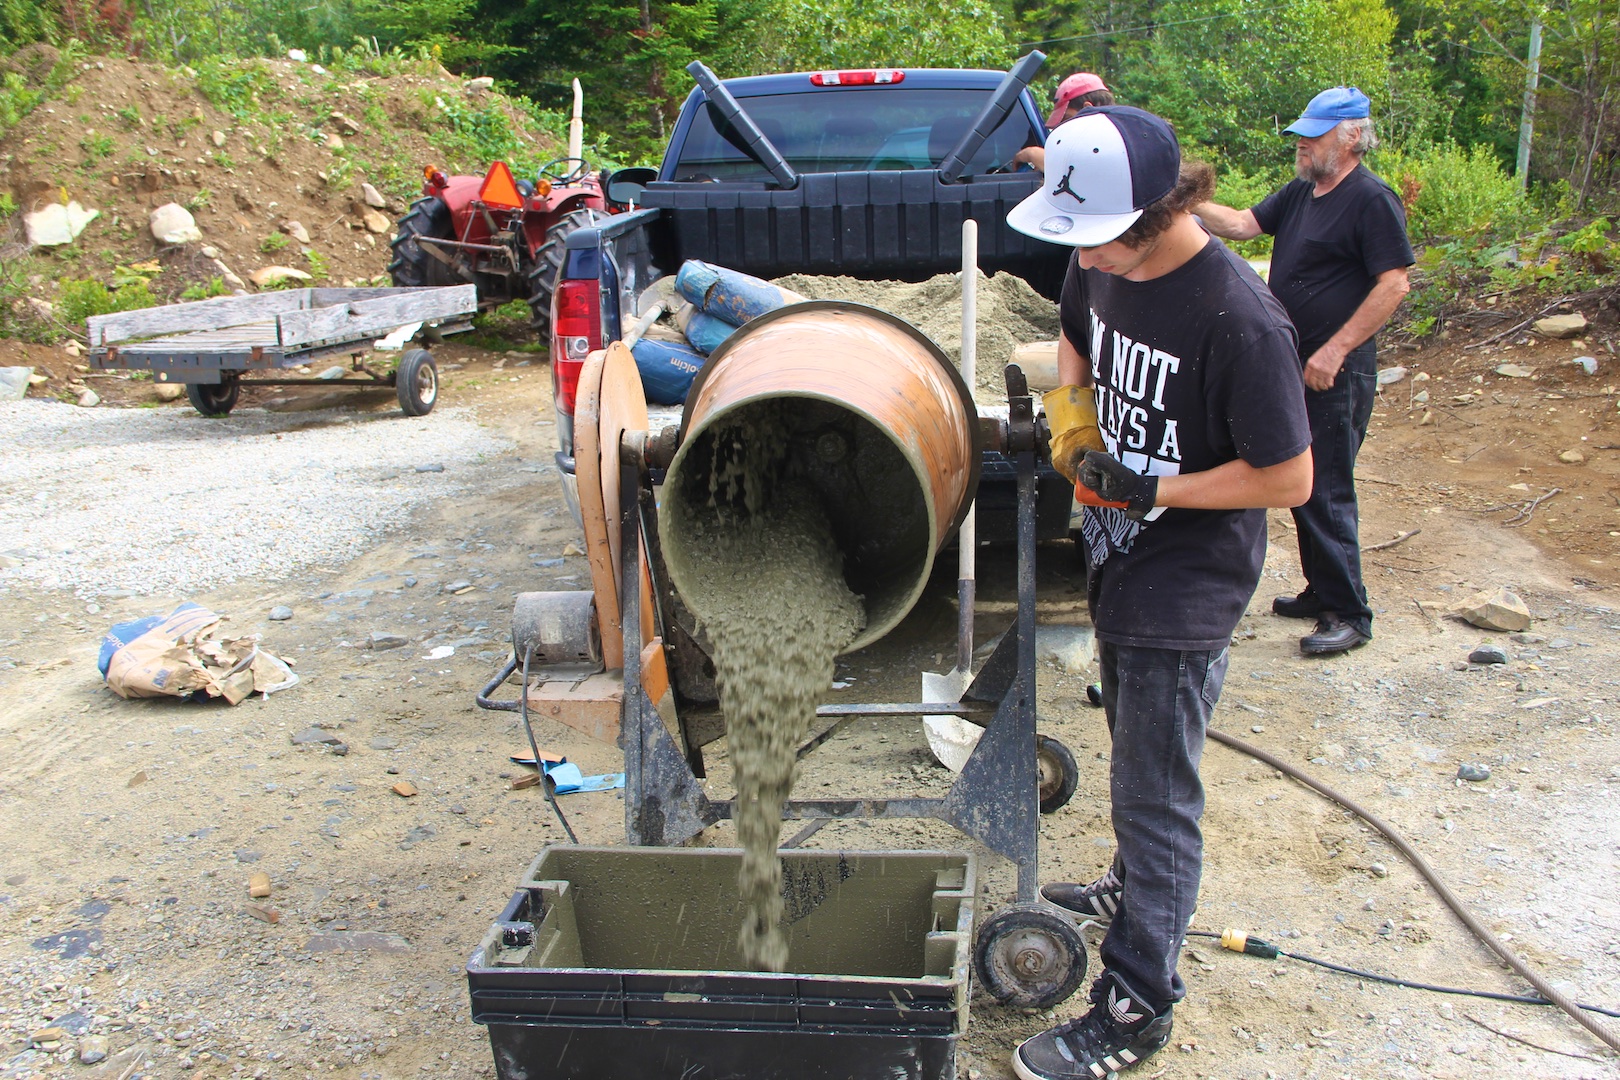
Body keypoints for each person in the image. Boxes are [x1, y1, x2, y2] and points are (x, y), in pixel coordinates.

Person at [1005, 106, 1313, 1080]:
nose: (1084, 263)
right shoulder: (1097, 257)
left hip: (1186, 580)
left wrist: (1157, 487)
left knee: (1154, 797)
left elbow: (1289, 476)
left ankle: (1134, 1010)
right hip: (1116, 555)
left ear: (1152, 218)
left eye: (1098, 246)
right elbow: (1073, 339)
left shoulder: (1240, 321)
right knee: (1129, 738)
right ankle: (1128, 890)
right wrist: (1073, 424)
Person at [1194, 86, 1414, 657]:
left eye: (1313, 135)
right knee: (1302, 481)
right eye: (1299, 134)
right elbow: (1241, 224)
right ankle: (1321, 591)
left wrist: (1336, 349)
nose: (1301, 144)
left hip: (1334, 369)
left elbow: (1393, 283)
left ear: (1350, 137)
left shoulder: (1370, 199)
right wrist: (1180, 200)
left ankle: (1349, 613)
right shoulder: (1303, 192)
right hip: (1297, 364)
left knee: (1328, 488)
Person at [1011, 72, 1115, 170]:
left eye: (1067, 118)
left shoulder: (1114, 143)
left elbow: (1073, 172)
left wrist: (1031, 153)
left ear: (1087, 110)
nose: (1064, 127)